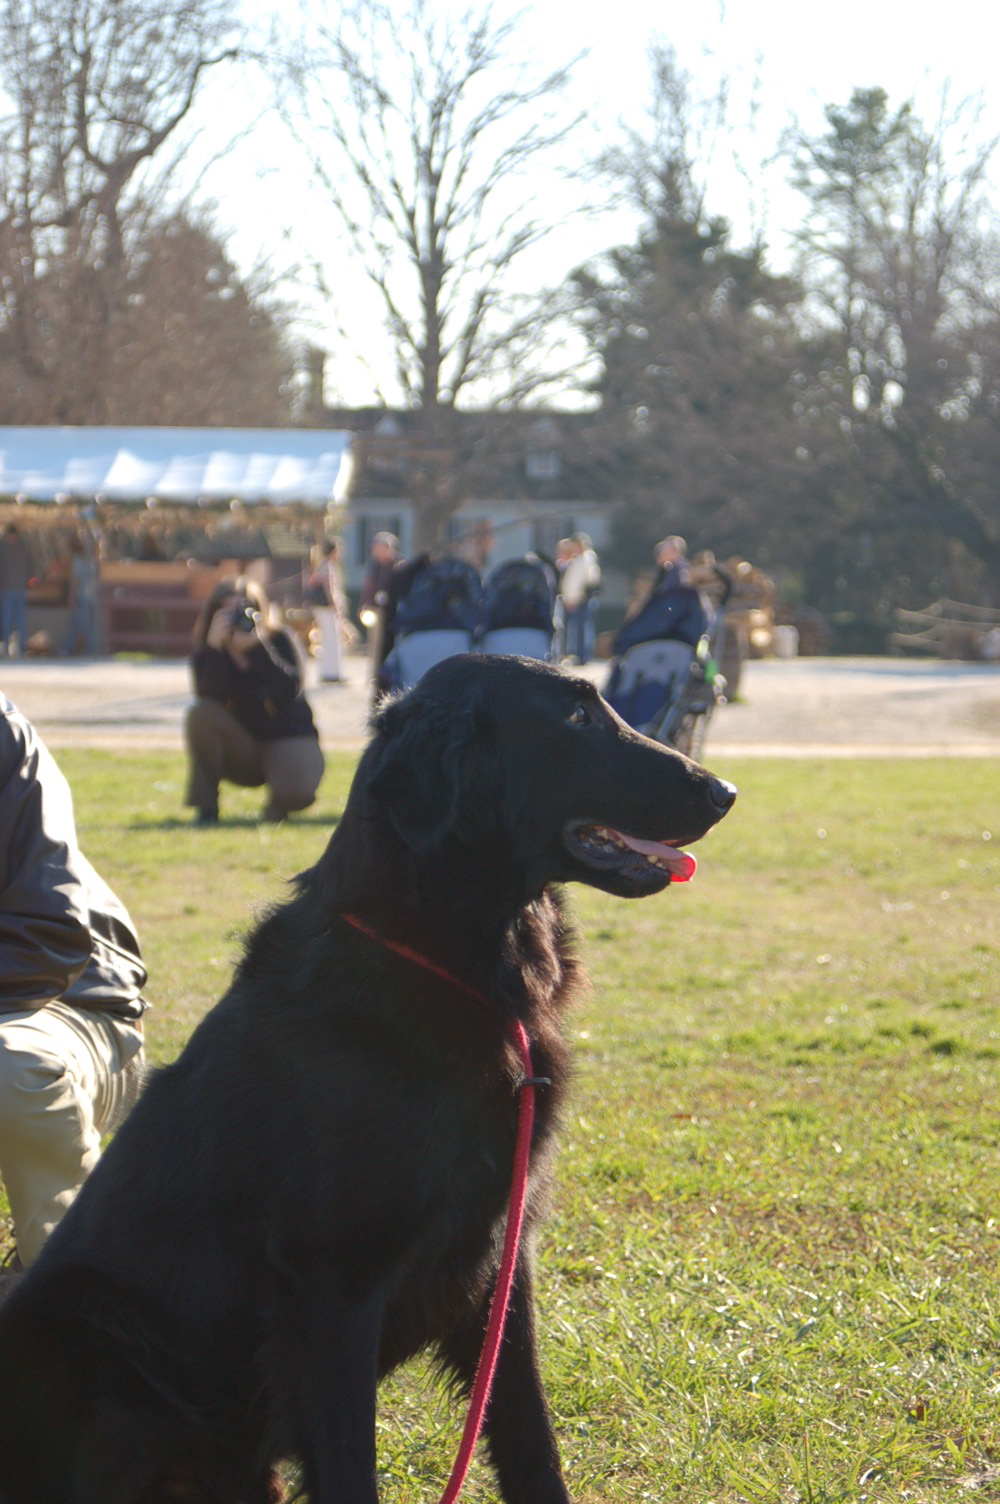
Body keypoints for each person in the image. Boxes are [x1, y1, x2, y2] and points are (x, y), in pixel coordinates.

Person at [0, 695, 147, 1289]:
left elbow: (48, 936)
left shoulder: (5, 742)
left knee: (12, 1068)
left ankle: (72, 1305)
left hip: (68, 1007)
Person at [184, 577, 325, 825]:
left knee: (297, 792)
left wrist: (259, 647)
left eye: (243, 611)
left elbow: (289, 689)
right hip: (241, 746)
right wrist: (215, 650)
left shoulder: (279, 639)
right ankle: (206, 808)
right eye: (227, 613)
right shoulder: (208, 651)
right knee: (199, 713)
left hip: (286, 738)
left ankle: (277, 808)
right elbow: (209, 698)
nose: (236, 620)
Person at [613, 534, 709, 656]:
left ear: (674, 552)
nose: (658, 556)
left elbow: (671, 606)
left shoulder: (679, 573)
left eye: (662, 552)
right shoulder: (667, 571)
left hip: (674, 628)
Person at [305, 537, 353, 684]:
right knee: (333, 639)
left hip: (321, 608)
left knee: (327, 639)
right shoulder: (328, 566)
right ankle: (333, 672)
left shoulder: (321, 565)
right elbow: (329, 589)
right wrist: (336, 607)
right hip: (327, 608)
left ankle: (327, 671)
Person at [558, 532, 601, 664]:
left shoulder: (586, 559)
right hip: (572, 599)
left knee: (581, 629)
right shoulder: (577, 560)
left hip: (580, 600)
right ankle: (574, 654)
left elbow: (585, 582)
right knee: (574, 629)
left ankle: (582, 656)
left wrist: (576, 598)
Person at [61, 533, 100, 656]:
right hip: (88, 597)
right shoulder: (89, 561)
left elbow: (75, 581)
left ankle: (90, 649)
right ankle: (67, 648)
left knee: (85, 625)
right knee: (74, 624)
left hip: (80, 597)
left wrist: (70, 597)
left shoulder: (77, 561)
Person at [0, 524, 32, 658]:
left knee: (7, 619)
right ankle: (21, 648)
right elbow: (31, 566)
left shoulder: (3, 548)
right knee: (20, 619)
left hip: (7, 588)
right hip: (20, 588)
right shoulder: (23, 547)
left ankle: (7, 647)